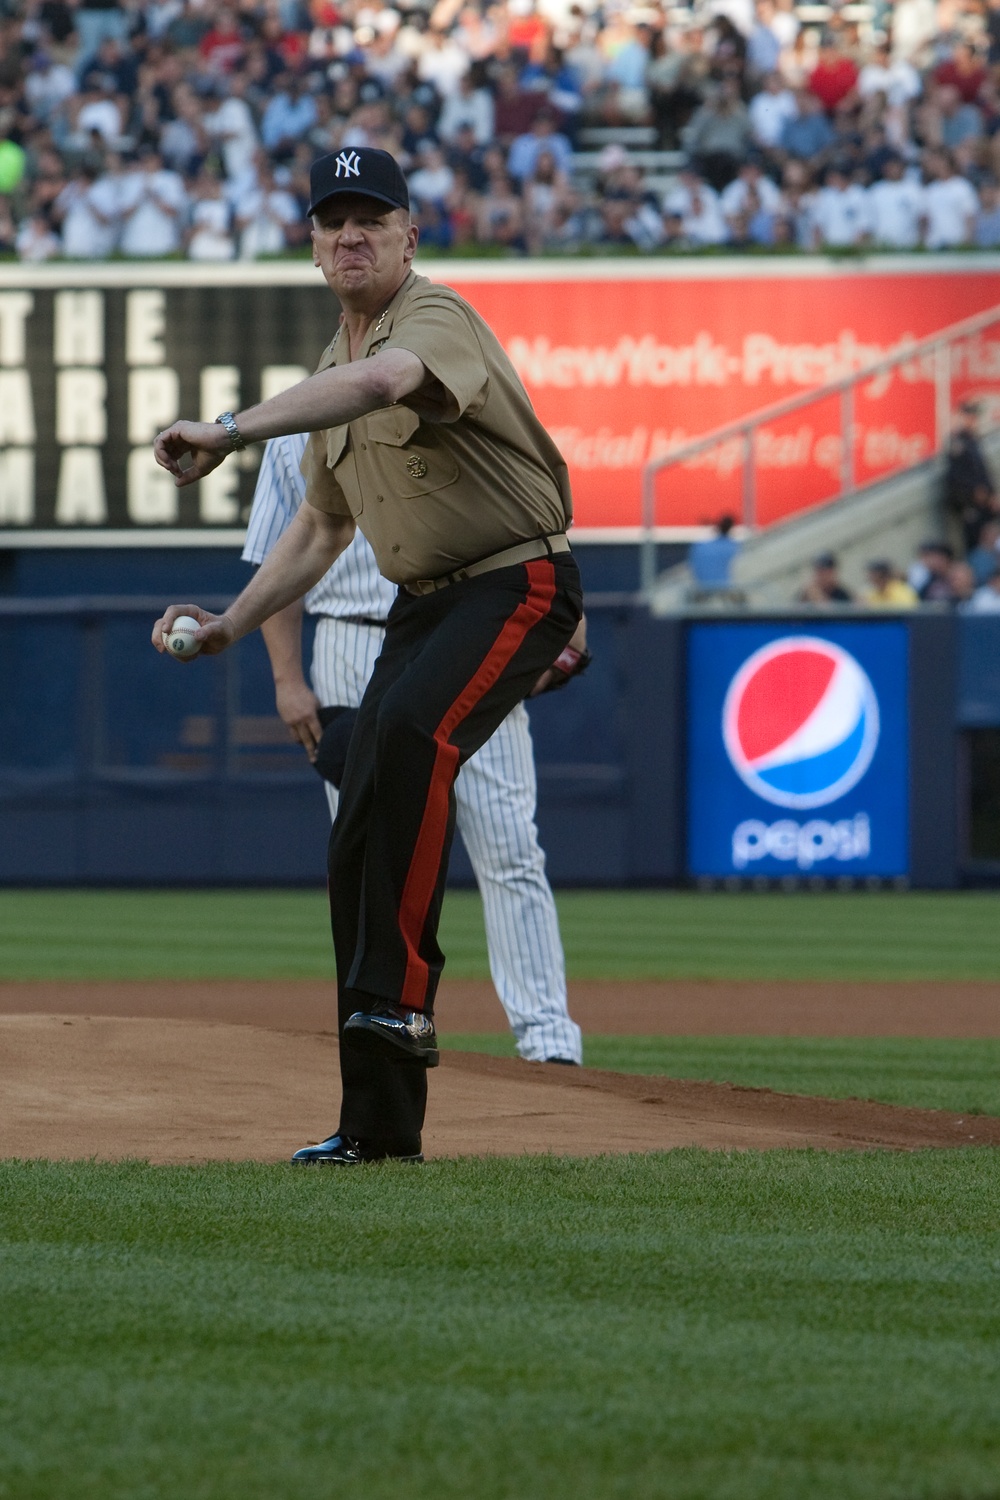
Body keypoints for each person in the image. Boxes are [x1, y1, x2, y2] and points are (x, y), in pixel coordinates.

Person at [151, 147, 583, 1167]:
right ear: (311, 243)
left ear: (407, 237)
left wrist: (226, 429)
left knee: (402, 739)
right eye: (331, 219)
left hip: (515, 580)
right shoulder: (325, 388)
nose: (349, 235)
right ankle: (377, 1126)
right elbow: (316, 534)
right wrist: (226, 626)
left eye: (369, 218)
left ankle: (403, 1004)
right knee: (354, 810)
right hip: (425, 607)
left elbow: (388, 379)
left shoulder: (431, 320)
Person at [243, 429, 584, 1068]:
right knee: (371, 858)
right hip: (348, 644)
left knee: (510, 847)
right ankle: (377, 1037)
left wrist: (547, 646)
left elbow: (539, 528)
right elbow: (276, 564)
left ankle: (549, 1044)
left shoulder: (459, 412)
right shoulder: (295, 431)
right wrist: (288, 681)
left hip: (464, 636)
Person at [943, 399, 997, 552]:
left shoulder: (972, 439)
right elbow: (956, 478)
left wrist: (991, 495)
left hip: (985, 505)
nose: (973, 420)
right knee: (979, 548)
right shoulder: (958, 441)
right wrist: (976, 494)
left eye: (974, 416)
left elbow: (982, 472)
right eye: (969, 416)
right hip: (972, 507)